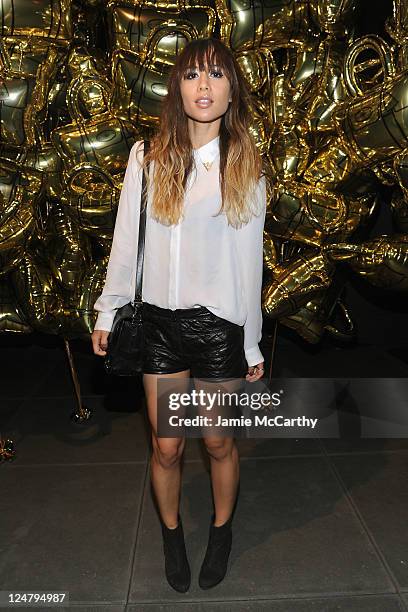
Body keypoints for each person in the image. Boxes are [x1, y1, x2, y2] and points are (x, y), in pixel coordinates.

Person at [91, 37, 267, 592]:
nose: (205, 86)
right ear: (179, 87)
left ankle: (221, 530)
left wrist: (252, 343)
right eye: (194, 75)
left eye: (217, 75)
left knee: (216, 441)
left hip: (220, 327)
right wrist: (108, 307)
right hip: (160, 325)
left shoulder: (245, 163)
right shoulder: (148, 157)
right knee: (167, 445)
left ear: (231, 89)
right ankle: (171, 536)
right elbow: (128, 242)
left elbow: (250, 263)